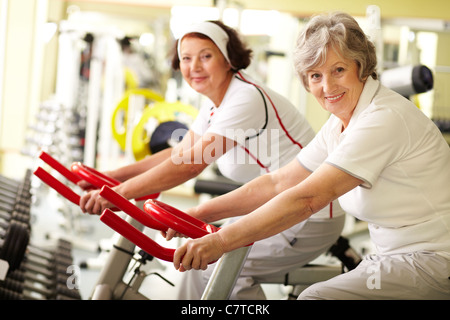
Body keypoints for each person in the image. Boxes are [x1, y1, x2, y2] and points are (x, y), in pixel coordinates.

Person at [172, 12, 450, 300]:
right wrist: (195, 214)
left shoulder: (382, 118)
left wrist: (220, 240)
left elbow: (307, 200)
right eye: (316, 76)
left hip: (432, 260)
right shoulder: (341, 123)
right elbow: (278, 183)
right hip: (393, 257)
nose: (327, 87)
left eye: (338, 70)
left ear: (362, 66)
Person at [78, 20, 345, 299]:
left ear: (228, 58)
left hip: (310, 215)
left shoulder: (246, 97)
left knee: (220, 267)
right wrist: (112, 178)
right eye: (186, 58)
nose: (194, 67)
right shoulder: (215, 102)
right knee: (195, 259)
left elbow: (192, 163)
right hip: (272, 206)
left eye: (206, 56)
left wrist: (118, 194)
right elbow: (179, 153)